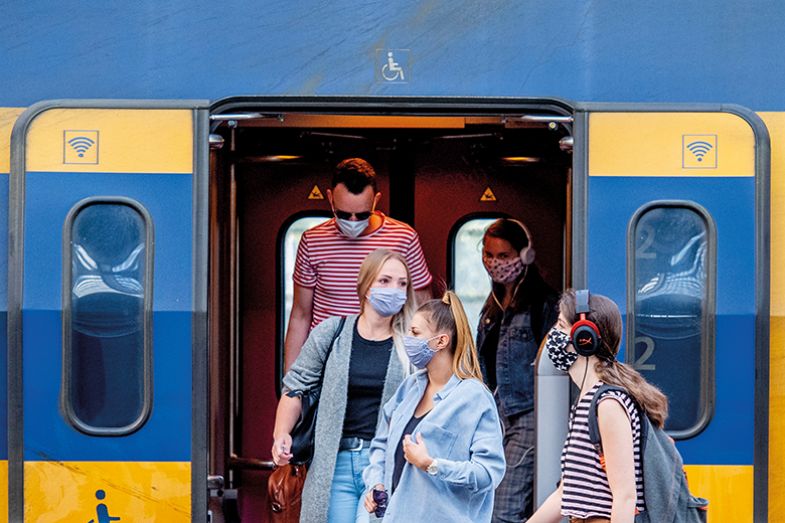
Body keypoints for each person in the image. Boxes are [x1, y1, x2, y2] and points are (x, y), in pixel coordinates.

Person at [272, 249, 417, 523]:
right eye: (385, 281)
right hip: (334, 465)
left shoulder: (411, 344)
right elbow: (295, 388)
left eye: (402, 284)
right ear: (365, 285)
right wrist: (282, 434)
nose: (394, 290)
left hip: (386, 466)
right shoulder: (332, 332)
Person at [363, 291, 506, 522]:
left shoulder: (474, 397)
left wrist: (431, 464)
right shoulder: (409, 388)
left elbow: (488, 473)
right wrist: (375, 483)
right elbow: (381, 444)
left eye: (415, 332)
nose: (407, 337)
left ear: (441, 341)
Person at [529, 289, 669, 523]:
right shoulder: (587, 401)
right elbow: (566, 493)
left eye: (561, 326)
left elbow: (625, 496)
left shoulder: (608, 404)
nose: (552, 334)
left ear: (584, 338)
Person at [285, 157, 432, 370]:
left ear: (376, 200)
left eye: (362, 215)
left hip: (385, 358)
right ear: (330, 199)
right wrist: (291, 384)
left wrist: (426, 373)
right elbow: (300, 315)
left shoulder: (404, 238)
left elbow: (421, 310)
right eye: (344, 214)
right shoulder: (312, 241)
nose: (353, 222)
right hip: (328, 359)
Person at [475, 218, 558, 522]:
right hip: (495, 415)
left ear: (524, 256)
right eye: (488, 255)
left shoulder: (544, 305)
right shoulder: (492, 305)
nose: (495, 263)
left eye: (504, 256)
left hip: (528, 416)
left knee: (504, 508)